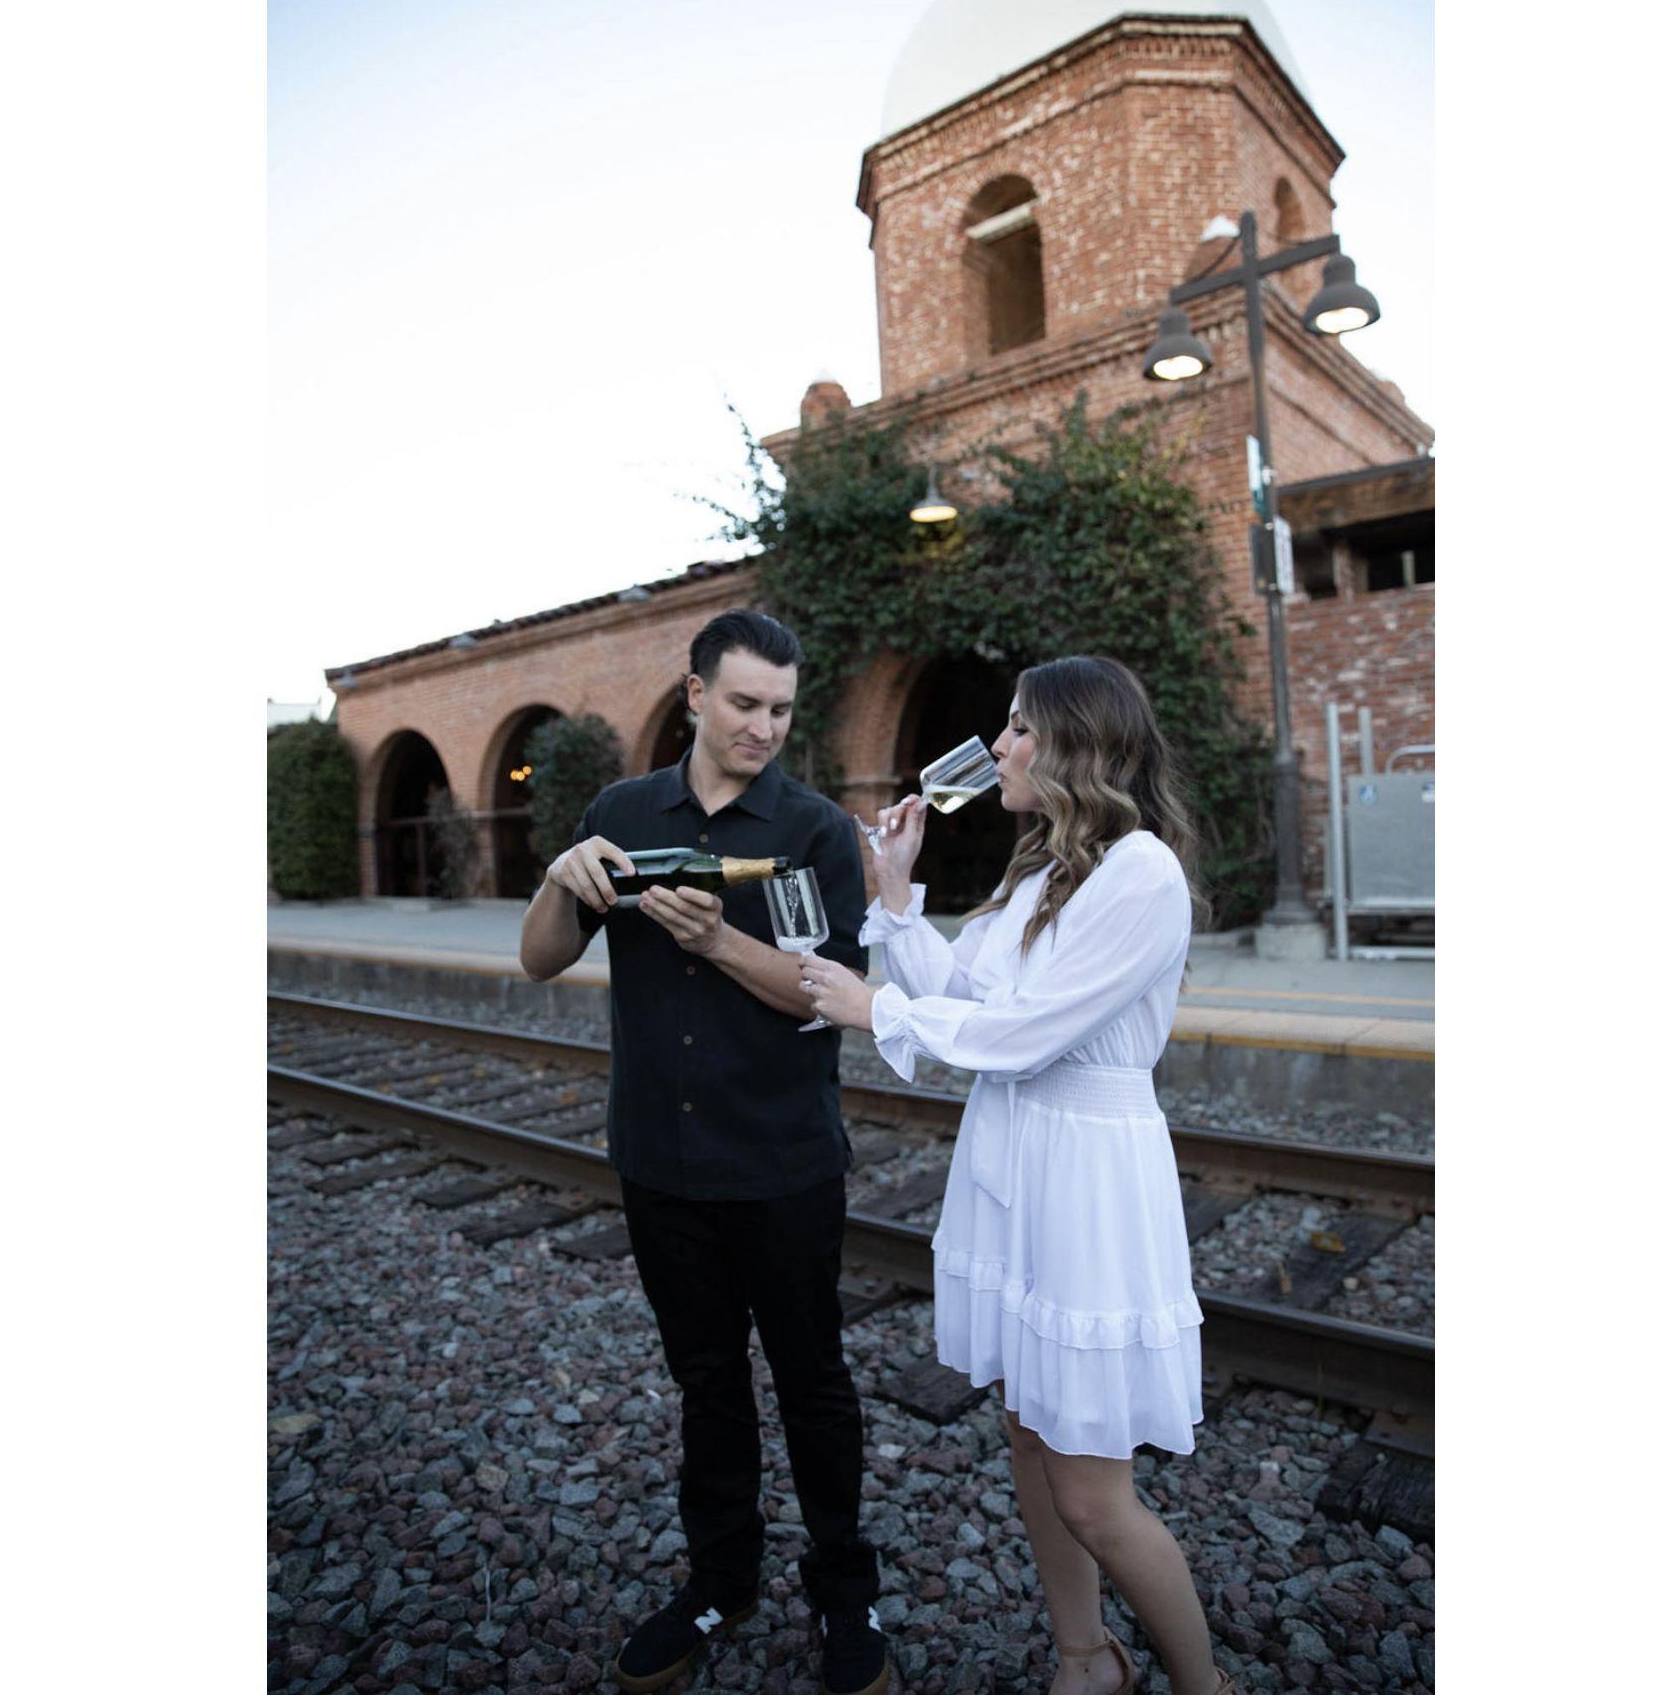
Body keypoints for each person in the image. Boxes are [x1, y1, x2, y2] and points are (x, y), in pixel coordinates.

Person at [799, 655, 1243, 1695]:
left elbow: (1028, 1033)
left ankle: (1206, 1685)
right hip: (1018, 1162)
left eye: (1018, 728)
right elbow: (969, 996)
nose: (998, 746)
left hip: (1087, 1177)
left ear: (1077, 742)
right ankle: (1084, 1656)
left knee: (1093, 1494)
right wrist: (896, 895)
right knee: (1027, 1430)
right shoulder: (1043, 874)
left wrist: (874, 1008)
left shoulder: (1140, 873)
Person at [518, 609, 889, 1695]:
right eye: (742, 702)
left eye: (780, 708)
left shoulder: (814, 830)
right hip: (659, 1162)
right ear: (694, 694)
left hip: (783, 1164)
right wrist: (559, 876)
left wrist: (718, 940)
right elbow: (539, 959)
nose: (762, 726)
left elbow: (827, 996)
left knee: (814, 1383)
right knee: (706, 1384)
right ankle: (721, 1578)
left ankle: (844, 1589)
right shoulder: (621, 813)